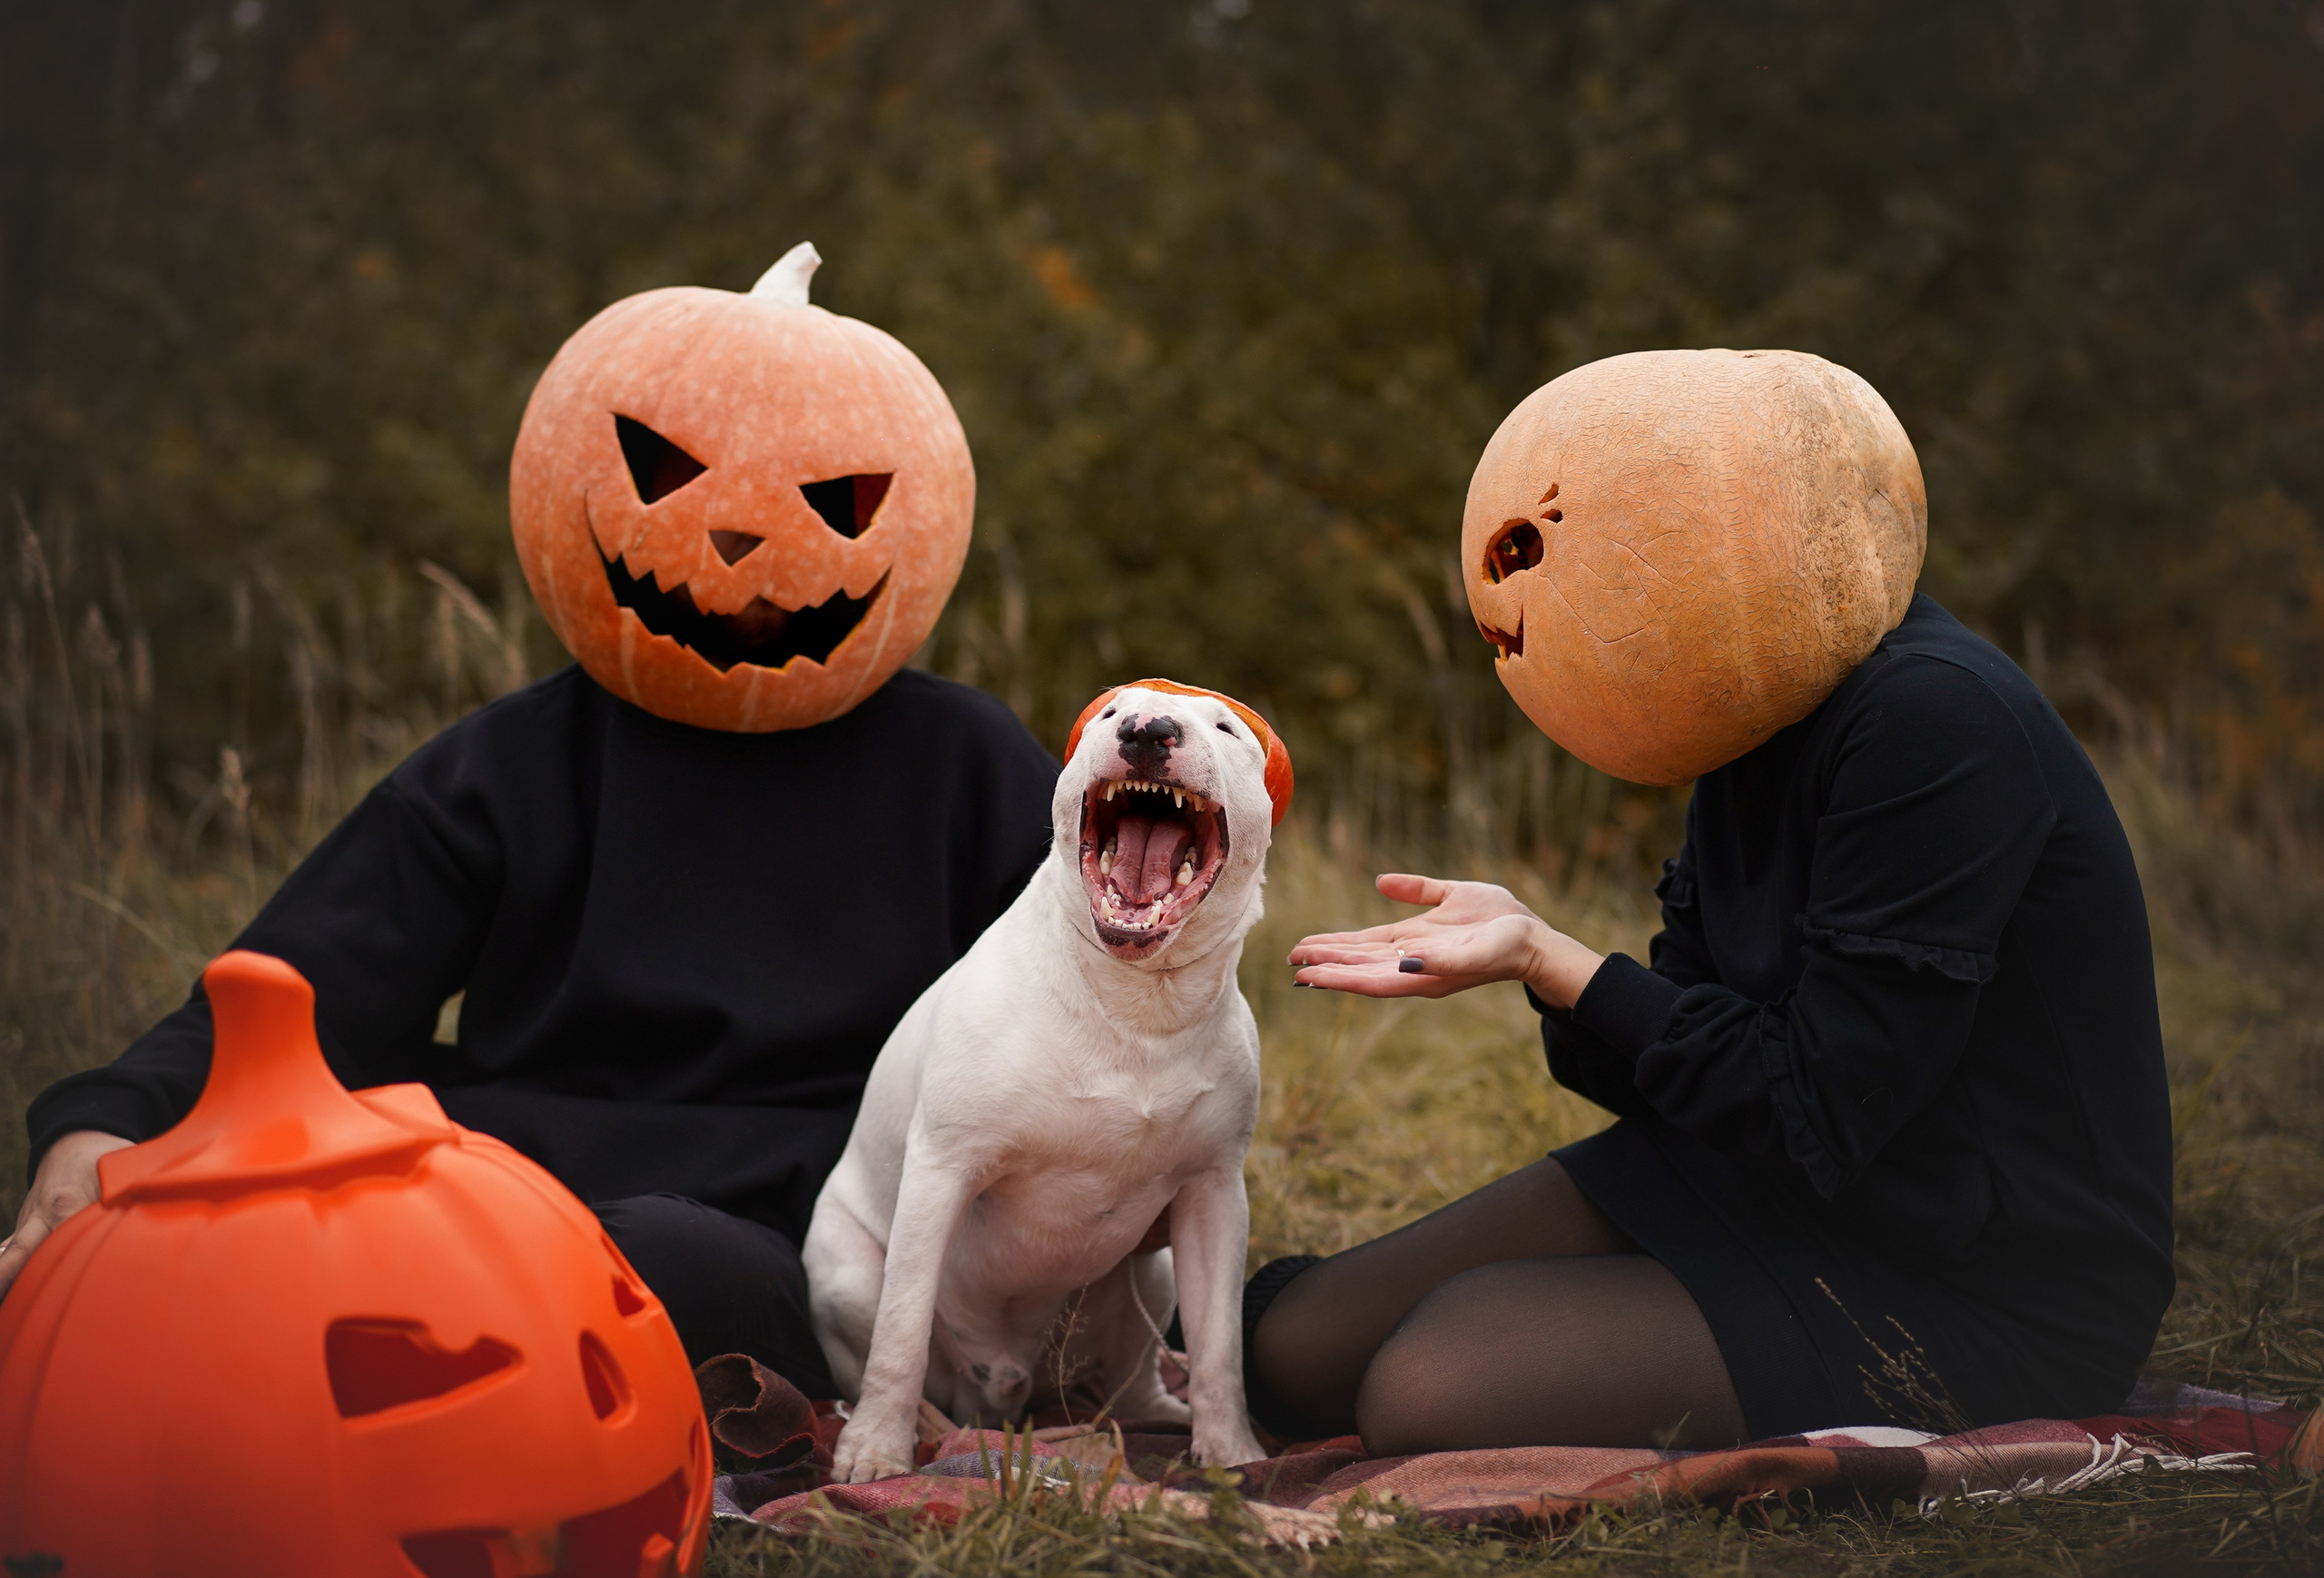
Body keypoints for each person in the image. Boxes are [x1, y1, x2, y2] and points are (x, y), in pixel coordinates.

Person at [3, 256, 1058, 1405]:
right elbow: (293, 994)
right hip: (508, 1197)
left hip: (819, 1232)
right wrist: (103, 1126)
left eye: (833, 502)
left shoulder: (969, 768)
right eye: (664, 473)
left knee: (673, 1265)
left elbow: (1096, 1032)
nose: (742, 542)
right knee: (293, 1207)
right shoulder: (512, 765)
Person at [1248, 353, 2174, 1455]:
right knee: (1292, 1349)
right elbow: (1687, 1056)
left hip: (1980, 1271)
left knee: (1425, 1386)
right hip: (1764, 1179)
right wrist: (1537, 964)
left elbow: (1816, 1107)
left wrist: (1560, 965)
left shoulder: (1934, 721)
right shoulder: (1747, 705)